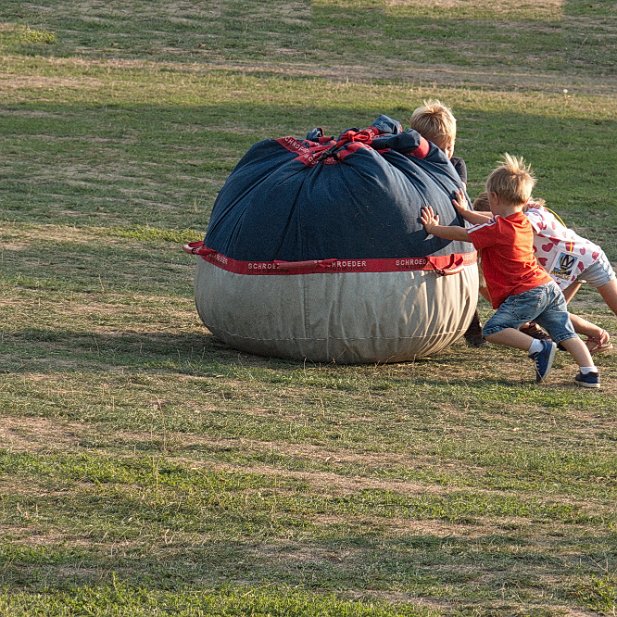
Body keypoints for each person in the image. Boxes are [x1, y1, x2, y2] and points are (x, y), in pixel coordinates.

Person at [420, 154, 600, 387]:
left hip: (526, 292)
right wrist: (466, 213)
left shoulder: (499, 230)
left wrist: (434, 228)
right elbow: (488, 223)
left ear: (493, 197)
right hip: (547, 287)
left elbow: (465, 234)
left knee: (494, 330)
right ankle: (589, 373)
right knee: (565, 332)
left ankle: (538, 347)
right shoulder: (523, 221)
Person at [473, 192, 612, 355]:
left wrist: (467, 214)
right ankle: (597, 336)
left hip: (587, 259)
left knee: (551, 310)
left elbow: (505, 224)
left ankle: (596, 337)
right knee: (551, 313)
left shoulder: (533, 216)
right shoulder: (511, 227)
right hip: (564, 267)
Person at [410, 99, 484, 346]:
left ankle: (473, 329)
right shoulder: (411, 165)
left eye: (448, 148)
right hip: (428, 228)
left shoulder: (456, 166)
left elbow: (453, 189)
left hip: (455, 231)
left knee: (461, 278)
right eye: (438, 150)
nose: (445, 155)